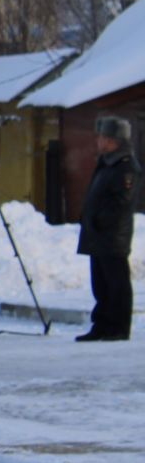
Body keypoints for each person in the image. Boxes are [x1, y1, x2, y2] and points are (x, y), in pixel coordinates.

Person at [77, 116, 137, 343]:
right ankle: (101, 326)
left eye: (103, 137)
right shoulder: (106, 163)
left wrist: (100, 220)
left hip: (113, 236)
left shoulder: (125, 166)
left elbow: (121, 202)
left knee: (116, 283)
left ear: (114, 141)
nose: (99, 141)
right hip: (99, 235)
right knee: (101, 284)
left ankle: (118, 327)